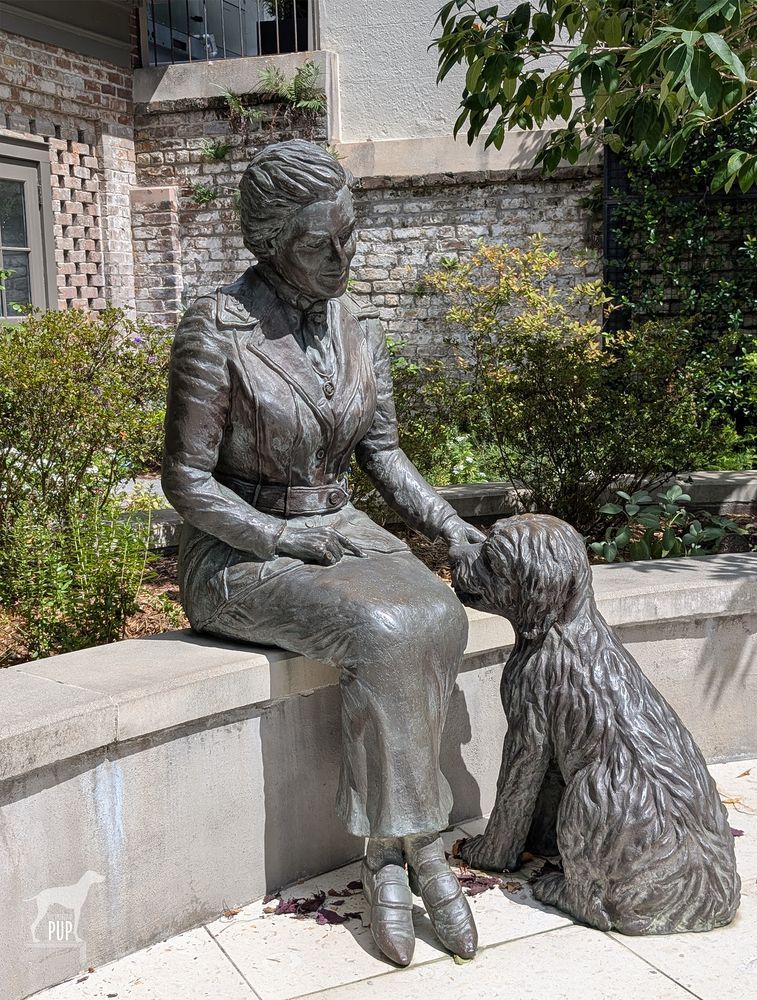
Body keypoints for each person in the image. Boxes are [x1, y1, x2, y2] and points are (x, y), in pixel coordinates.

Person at [161, 139, 483, 966]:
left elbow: (384, 455)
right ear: (268, 242)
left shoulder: (358, 326)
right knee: (383, 630)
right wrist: (276, 535)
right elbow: (187, 480)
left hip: (342, 529)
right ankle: (415, 852)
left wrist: (447, 526)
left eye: (350, 235)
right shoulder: (217, 326)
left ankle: (387, 846)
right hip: (239, 552)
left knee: (438, 616)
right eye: (319, 244)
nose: (342, 257)